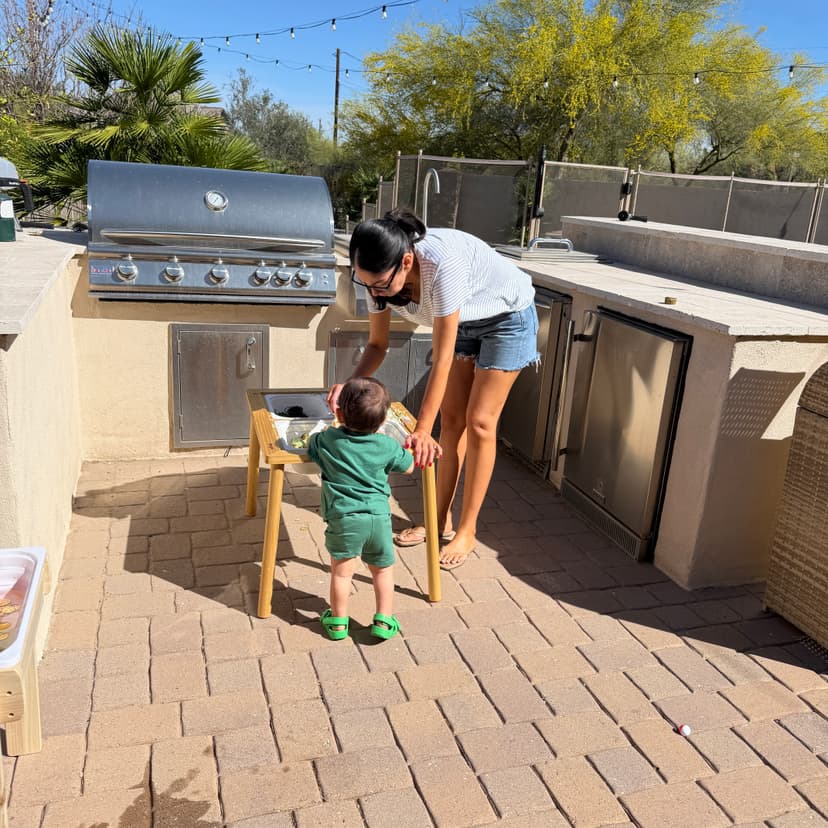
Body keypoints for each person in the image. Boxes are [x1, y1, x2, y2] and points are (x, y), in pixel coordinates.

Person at [327, 208, 538, 571]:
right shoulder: (380, 274)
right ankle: (437, 521)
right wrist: (348, 384)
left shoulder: (442, 265)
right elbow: (377, 345)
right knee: (452, 421)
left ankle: (468, 530)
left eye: (380, 284)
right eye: (367, 284)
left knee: (480, 422)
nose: (374, 292)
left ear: (407, 261)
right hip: (465, 321)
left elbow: (440, 360)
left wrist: (420, 431)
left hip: (506, 319)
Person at [308, 376, 414, 640]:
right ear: (382, 420)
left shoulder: (328, 441)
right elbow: (410, 466)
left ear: (339, 413)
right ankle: (384, 620)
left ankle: (338, 622)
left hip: (344, 519)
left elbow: (311, 447)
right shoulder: (387, 445)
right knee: (382, 571)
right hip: (379, 518)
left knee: (342, 575)